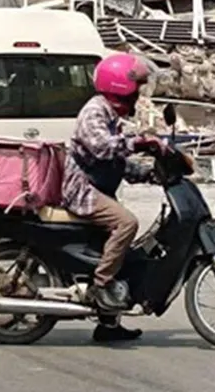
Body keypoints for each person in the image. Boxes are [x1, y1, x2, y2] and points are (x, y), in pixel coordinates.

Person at [60, 51, 160, 343]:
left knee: (123, 255)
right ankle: (101, 285)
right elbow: (103, 149)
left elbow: (114, 162)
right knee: (126, 223)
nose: (139, 95)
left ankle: (109, 325)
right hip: (81, 190)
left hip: (96, 187)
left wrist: (147, 173)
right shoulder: (95, 111)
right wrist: (140, 142)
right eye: (137, 88)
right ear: (121, 87)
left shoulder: (110, 114)